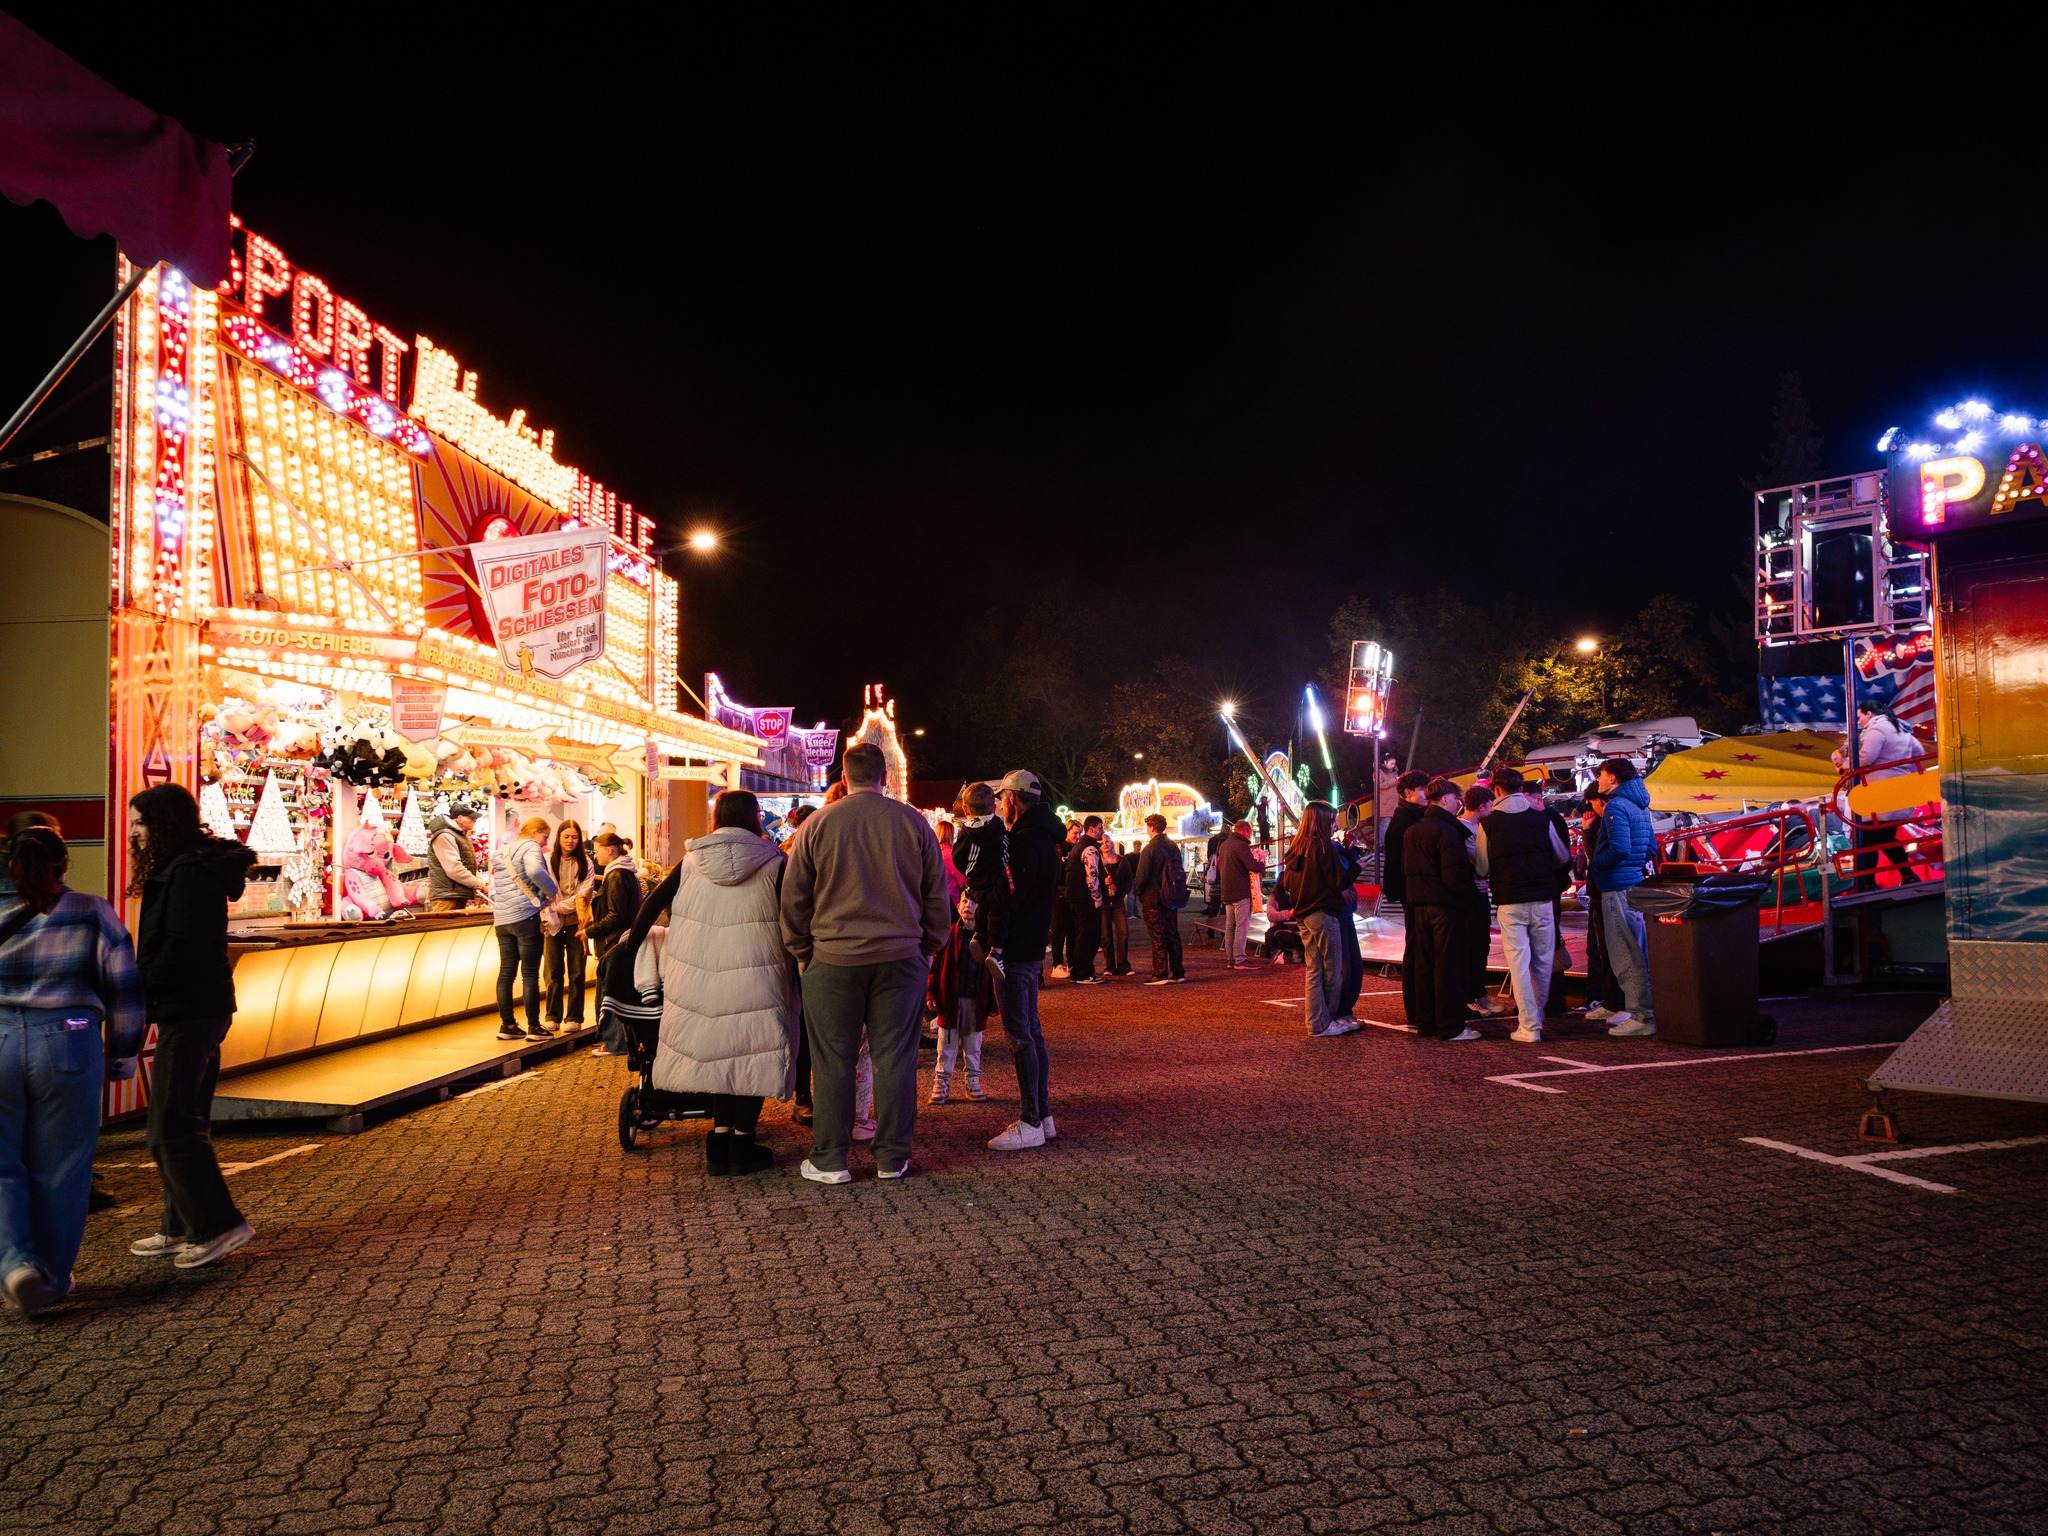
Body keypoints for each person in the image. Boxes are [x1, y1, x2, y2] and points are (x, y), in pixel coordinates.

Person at [780, 743, 950, 1183]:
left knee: (832, 1059)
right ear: (886, 776)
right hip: (901, 957)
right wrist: (928, 947)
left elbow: (794, 898)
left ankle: (830, 1158)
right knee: (895, 1058)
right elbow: (936, 896)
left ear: (843, 773)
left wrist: (802, 952)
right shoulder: (913, 823)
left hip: (832, 959)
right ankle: (892, 1157)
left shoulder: (817, 826)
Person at [0, 826, 146, 1314]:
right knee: (62, 1169)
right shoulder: (91, 911)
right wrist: (124, 1055)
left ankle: (15, 1263)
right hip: (68, 1036)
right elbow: (124, 986)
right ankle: (52, 1278)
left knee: (2, 1164)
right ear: (64, 865)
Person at [126, 784, 262, 1272]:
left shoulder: (187, 873)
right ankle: (180, 1223)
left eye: (140, 823)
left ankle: (216, 1225)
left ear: (161, 824)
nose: (133, 834)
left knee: (169, 1125)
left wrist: (133, 984)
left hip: (190, 1008)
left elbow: (178, 947)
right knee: (185, 1119)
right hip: (196, 1006)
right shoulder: (189, 867)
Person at [650, 790, 796, 1176]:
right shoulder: (774, 862)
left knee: (720, 1055)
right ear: (755, 817)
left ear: (716, 818)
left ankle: (719, 1142)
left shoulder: (692, 860)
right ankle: (743, 1144)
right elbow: (795, 918)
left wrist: (630, 954)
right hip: (760, 973)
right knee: (753, 1054)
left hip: (700, 978)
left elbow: (651, 905)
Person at [974, 770, 1062, 1151]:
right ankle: (1041, 1116)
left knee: (1020, 1035)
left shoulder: (1025, 841)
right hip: (1029, 946)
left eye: (1002, 799)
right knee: (1031, 1032)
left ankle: (1030, 1120)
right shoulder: (1045, 838)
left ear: (1012, 800)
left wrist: (981, 896)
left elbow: (1010, 893)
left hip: (1015, 948)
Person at [1475, 767, 1571, 1044]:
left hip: (1510, 901)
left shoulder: (1489, 824)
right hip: (1542, 899)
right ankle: (1536, 1021)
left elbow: (1482, 867)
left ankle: (1528, 1026)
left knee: (1519, 963)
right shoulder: (1542, 819)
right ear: (1520, 788)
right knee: (1543, 963)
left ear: (1496, 790)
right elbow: (1561, 856)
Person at [1401, 778, 1481, 1042]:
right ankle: (1451, 1026)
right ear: (1444, 799)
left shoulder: (1413, 830)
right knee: (1448, 966)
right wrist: (1472, 898)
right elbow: (1455, 876)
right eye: (1456, 799)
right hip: (1445, 907)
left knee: (1424, 965)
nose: (1459, 804)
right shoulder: (1448, 831)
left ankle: (1427, 1023)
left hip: (1419, 905)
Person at [1277, 802, 1361, 1038]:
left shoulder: (1296, 848)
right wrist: (1356, 866)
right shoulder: (1323, 847)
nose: (1335, 824)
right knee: (1332, 969)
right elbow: (1338, 881)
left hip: (1303, 913)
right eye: (1332, 820)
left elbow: (1287, 884)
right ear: (1323, 821)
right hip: (1323, 913)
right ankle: (1326, 1021)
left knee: (1313, 969)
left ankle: (1315, 1022)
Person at [1589, 757, 1656, 1038]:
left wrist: (1595, 863)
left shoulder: (1616, 805)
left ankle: (1641, 1016)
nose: (1598, 781)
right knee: (1637, 949)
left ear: (1613, 777)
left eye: (1601, 775)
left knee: (1624, 953)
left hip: (1616, 886)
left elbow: (1619, 848)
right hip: (1634, 885)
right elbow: (1650, 847)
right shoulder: (1641, 806)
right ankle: (1644, 1011)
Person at [1834, 701, 1925, 890]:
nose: (1858, 722)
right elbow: (1919, 753)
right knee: (1882, 837)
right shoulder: (1902, 729)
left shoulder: (1877, 730)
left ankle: (1870, 882)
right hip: (1898, 790)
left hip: (1877, 793)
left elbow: (1866, 758)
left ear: (1869, 714)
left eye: (1859, 717)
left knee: (1870, 839)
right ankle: (1903, 875)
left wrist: (1843, 762)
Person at [491, 816, 559, 1043]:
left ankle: (507, 1024)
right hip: (525, 917)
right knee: (529, 974)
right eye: (544, 837)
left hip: (502, 919)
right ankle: (534, 1027)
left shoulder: (501, 852)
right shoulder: (530, 846)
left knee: (506, 973)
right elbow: (535, 872)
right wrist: (552, 891)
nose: (544, 843)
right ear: (535, 832)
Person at [585, 831, 643, 1056]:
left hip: (614, 942)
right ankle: (618, 1041)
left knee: (610, 994)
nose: (595, 855)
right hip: (622, 940)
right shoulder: (624, 872)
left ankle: (614, 1043)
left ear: (610, 850)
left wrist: (590, 931)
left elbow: (615, 914)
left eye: (597, 850)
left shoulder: (617, 875)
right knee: (618, 992)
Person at [1575, 792, 1625, 1020]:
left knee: (1609, 949)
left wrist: (1586, 831)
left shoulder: (1610, 820)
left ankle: (1621, 1004)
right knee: (1604, 948)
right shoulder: (1624, 814)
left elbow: (1597, 854)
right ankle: (1612, 1000)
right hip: (1608, 888)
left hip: (1608, 888)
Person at [950, 783, 1009, 978]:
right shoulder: (999, 829)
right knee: (999, 912)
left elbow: (957, 856)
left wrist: (970, 872)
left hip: (975, 881)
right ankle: (996, 952)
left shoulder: (965, 834)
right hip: (996, 881)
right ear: (994, 808)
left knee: (982, 908)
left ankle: (978, 935)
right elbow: (1007, 850)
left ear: (965, 809)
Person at [542, 820, 595, 1033]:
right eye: (566, 836)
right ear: (558, 837)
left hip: (576, 924)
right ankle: (552, 1015)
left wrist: (559, 907)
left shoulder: (586, 863)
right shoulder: (546, 860)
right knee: (553, 971)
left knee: (576, 972)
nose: (570, 841)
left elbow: (584, 893)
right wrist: (553, 910)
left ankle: (574, 1016)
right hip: (551, 924)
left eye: (574, 837)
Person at [1458, 783, 1504, 1017]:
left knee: (1481, 945)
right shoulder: (1463, 829)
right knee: (1470, 946)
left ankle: (1478, 992)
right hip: (1471, 894)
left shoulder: (1477, 827)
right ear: (1482, 806)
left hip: (1480, 893)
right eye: (1490, 807)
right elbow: (1480, 863)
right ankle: (1468, 996)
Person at [1133, 813, 1188, 984]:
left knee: (1158, 935)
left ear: (1151, 827)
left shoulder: (1149, 849)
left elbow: (1141, 876)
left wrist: (1139, 893)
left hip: (1153, 897)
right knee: (1172, 933)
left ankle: (1160, 973)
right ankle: (1178, 972)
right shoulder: (1173, 846)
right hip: (1171, 896)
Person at [1064, 816, 1110, 984]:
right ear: (1091, 829)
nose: (1102, 831)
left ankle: (1078, 972)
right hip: (1086, 900)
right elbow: (1092, 876)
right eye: (1100, 827)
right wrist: (1097, 898)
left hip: (1074, 898)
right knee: (1089, 936)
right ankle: (1084, 973)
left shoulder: (1078, 847)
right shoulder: (1090, 849)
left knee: (1080, 935)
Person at [1214, 820, 1265, 968]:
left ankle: (1231, 958)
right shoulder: (1241, 846)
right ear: (1244, 831)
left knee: (1230, 926)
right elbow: (1252, 866)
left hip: (1227, 891)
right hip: (1240, 891)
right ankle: (1240, 959)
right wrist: (1261, 863)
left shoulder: (1224, 845)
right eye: (1249, 832)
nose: (1249, 835)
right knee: (1242, 926)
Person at [424, 799, 488, 910]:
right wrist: (476, 883)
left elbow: (467, 863)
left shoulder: (458, 835)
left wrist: (476, 882)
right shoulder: (445, 835)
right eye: (471, 817)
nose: (475, 820)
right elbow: (453, 868)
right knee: (443, 927)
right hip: (447, 895)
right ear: (459, 818)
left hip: (455, 893)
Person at [1047, 820, 1082, 978]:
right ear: (1067, 832)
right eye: (1075, 833)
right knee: (1059, 930)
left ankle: (1072, 962)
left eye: (1079, 833)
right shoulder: (1059, 847)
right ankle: (1057, 964)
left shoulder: (1078, 848)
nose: (1077, 836)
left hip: (1073, 895)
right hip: (1060, 894)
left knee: (1072, 930)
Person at [1100, 833, 1135, 976]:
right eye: (1102, 843)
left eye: (1107, 841)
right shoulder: (1097, 861)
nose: (1105, 844)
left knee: (1123, 933)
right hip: (1104, 902)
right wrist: (1104, 883)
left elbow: (1129, 880)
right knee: (1106, 935)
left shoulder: (1122, 861)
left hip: (1118, 901)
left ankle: (1123, 965)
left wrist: (1118, 890)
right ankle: (1109, 966)